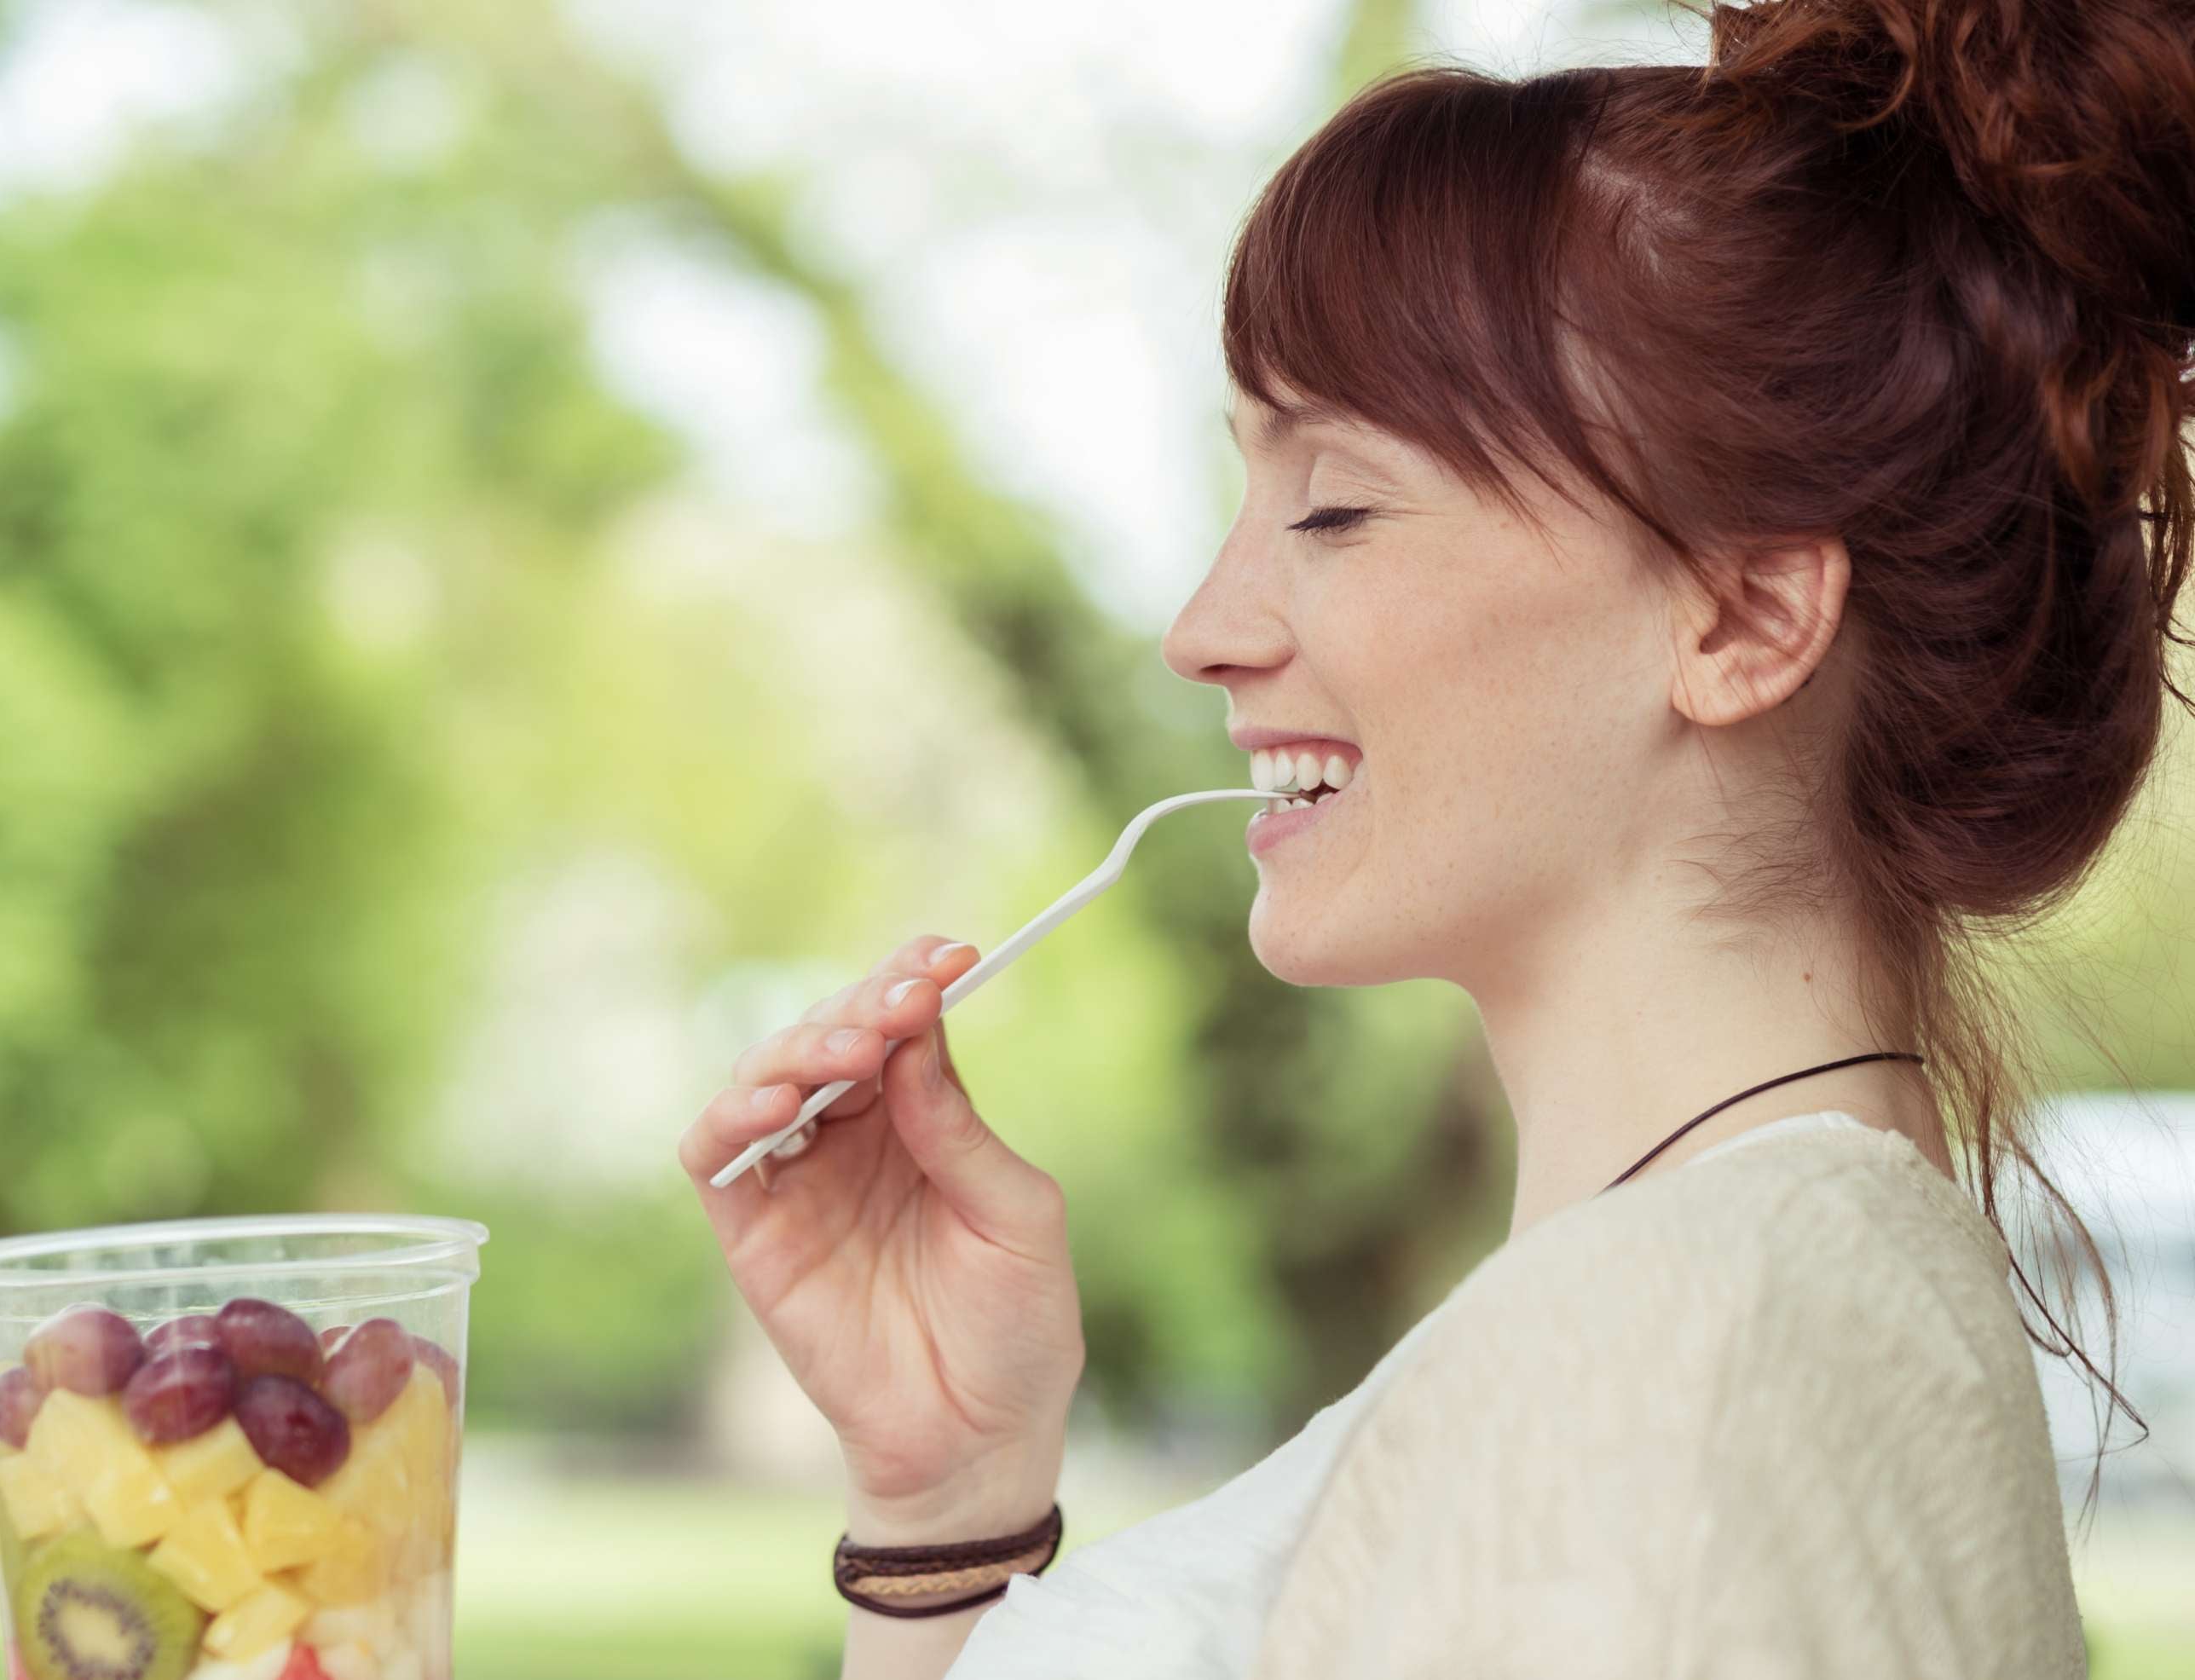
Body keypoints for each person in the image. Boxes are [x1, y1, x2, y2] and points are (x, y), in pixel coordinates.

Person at [674, 0, 2195, 1674]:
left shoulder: (1658, 1365)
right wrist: (947, 1503)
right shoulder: (1721, 1310)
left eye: (1332, 502)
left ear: (1746, 614)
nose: (1198, 627)